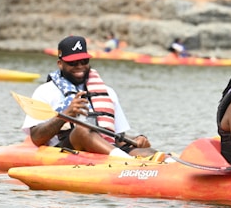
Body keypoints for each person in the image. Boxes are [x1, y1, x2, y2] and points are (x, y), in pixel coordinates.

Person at [22, 35, 157, 158]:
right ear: (60, 64)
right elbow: (36, 138)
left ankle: (167, 164)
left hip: (104, 149)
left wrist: (136, 139)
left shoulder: (108, 92)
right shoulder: (45, 91)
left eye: (84, 61)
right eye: (73, 63)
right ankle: (125, 161)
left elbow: (114, 136)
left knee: (146, 150)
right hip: (64, 151)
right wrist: (65, 114)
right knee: (82, 130)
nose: (79, 66)